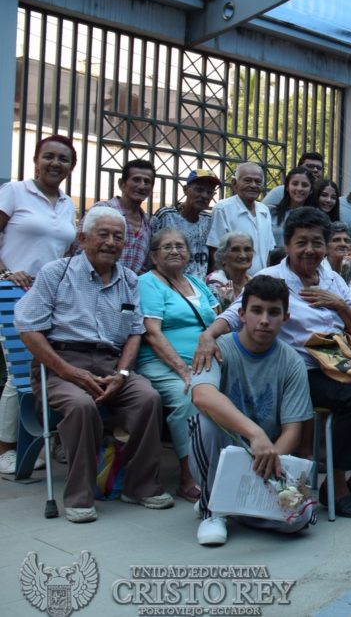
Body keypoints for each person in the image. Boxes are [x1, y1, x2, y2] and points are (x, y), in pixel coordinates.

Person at [195, 207, 351, 518]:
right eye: (301, 242)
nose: (310, 250)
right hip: (302, 368)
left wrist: (340, 306)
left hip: (343, 363)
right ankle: (335, 486)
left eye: (317, 242)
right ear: (288, 245)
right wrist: (208, 336)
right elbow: (236, 313)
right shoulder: (272, 278)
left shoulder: (333, 279)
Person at [16, 207, 174, 522]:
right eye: (103, 234)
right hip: (62, 363)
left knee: (148, 398)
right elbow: (29, 330)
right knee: (81, 405)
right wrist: (67, 371)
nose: (111, 242)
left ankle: (140, 487)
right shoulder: (56, 273)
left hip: (111, 364)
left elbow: (134, 333)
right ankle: (79, 495)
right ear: (82, 238)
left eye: (118, 236)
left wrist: (123, 373)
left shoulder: (129, 279)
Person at [187, 275, 316, 546]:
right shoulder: (218, 348)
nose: (265, 320)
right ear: (242, 314)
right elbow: (202, 395)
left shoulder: (292, 361)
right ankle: (214, 510)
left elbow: (293, 429)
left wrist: (269, 461)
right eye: (256, 311)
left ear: (286, 318)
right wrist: (255, 433)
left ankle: (233, 504)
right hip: (220, 453)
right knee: (204, 422)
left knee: (300, 521)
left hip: (265, 460)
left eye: (273, 313)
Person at [0, 135, 78, 475]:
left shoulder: (67, 203)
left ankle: (43, 441)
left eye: (63, 159)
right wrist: (4, 271)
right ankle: (6, 448)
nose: (55, 164)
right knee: (19, 373)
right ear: (36, 159)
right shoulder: (14, 192)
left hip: (49, 296)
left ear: (71, 167)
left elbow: (65, 252)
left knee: (45, 368)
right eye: (49, 156)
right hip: (11, 292)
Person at [137, 229, 218, 503]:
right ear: (154, 256)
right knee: (189, 397)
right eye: (167, 247)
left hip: (204, 364)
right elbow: (152, 334)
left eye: (180, 246)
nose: (175, 251)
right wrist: (185, 372)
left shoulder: (197, 282)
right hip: (163, 365)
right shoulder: (148, 283)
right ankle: (189, 476)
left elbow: (217, 321)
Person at [82, 158, 155, 272]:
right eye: (136, 180)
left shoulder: (147, 224)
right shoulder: (102, 210)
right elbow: (79, 249)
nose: (142, 186)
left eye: (147, 181)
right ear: (122, 184)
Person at [150, 169, 219, 279]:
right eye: (199, 190)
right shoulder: (166, 216)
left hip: (200, 289)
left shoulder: (209, 220)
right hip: (169, 284)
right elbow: (151, 253)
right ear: (185, 190)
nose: (204, 196)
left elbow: (213, 259)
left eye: (209, 192)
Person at [207, 162, 275, 273]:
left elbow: (269, 249)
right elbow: (216, 251)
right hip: (233, 282)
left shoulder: (264, 210)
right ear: (234, 183)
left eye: (258, 181)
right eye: (247, 180)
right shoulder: (223, 208)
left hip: (260, 283)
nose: (253, 185)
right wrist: (223, 284)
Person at [206, 232, 254, 309]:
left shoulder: (252, 281)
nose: (243, 255)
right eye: (235, 250)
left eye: (247, 249)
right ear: (223, 257)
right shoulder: (215, 281)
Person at [269, 167, 316, 247]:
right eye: (295, 184)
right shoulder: (271, 213)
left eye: (304, 185)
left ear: (311, 190)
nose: (299, 188)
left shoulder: (316, 218)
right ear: (287, 187)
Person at [324, 221, 351, 289]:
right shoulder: (317, 272)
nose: (343, 244)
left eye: (347, 241)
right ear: (325, 247)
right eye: (336, 240)